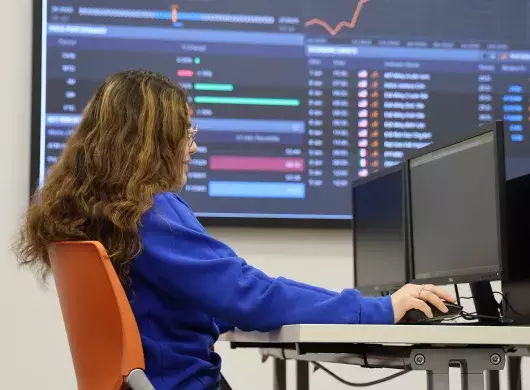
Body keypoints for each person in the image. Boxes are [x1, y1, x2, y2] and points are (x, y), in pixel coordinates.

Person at [15, 69, 454, 390]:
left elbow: (190, 302)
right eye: (184, 134)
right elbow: (251, 293)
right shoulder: (152, 213)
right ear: (149, 143)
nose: (192, 146)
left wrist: (244, 306)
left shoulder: (102, 216)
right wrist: (376, 310)